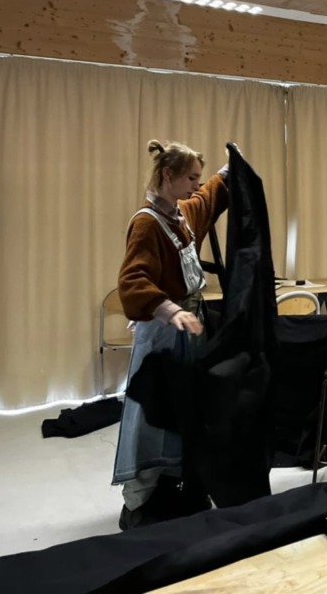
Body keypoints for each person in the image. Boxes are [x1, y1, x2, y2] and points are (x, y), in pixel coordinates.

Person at [112, 140, 229, 530]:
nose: (197, 185)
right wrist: (170, 310)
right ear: (168, 174)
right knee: (152, 415)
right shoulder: (147, 223)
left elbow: (207, 200)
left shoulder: (182, 215)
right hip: (162, 336)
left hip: (187, 333)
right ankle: (138, 502)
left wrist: (231, 172)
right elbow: (132, 280)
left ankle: (176, 486)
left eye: (199, 178)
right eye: (191, 178)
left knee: (183, 412)